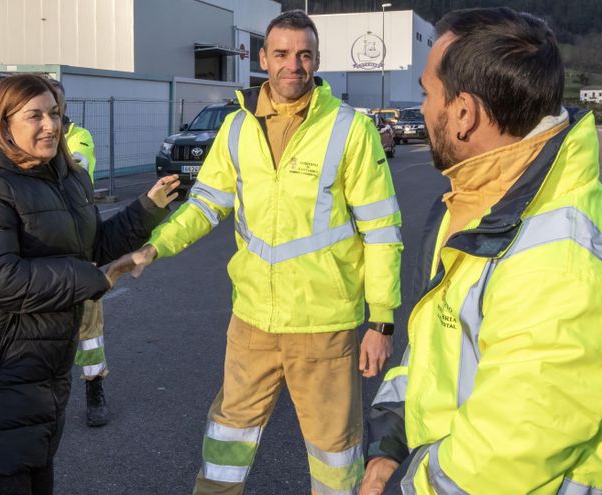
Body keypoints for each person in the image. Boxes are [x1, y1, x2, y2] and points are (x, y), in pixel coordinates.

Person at [109, 10, 403, 494]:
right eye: (283, 54)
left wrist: (381, 320)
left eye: (304, 54)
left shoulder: (350, 129)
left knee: (335, 452)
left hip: (323, 324)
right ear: (262, 58)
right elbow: (206, 204)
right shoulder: (237, 128)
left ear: (317, 60)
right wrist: (154, 247)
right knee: (228, 436)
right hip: (251, 321)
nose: (294, 65)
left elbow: (382, 229)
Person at [360, 8, 602, 495]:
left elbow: (498, 459)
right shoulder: (476, 204)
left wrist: (414, 486)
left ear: (463, 114)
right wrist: (390, 440)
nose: (421, 107)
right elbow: (441, 346)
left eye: (426, 93)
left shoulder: (560, 263)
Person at [0, 74, 178, 494]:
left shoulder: (66, 177)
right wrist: (93, 278)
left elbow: (93, 244)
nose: (50, 125)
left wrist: (146, 210)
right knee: (6, 472)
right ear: (4, 122)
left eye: (54, 114)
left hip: (45, 362)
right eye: (34, 115)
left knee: (39, 470)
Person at [50, 79, 110, 426]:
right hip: (43, 246)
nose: (49, 116)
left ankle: (94, 390)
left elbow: (76, 168)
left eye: (55, 107)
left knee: (89, 328)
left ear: (64, 108)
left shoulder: (79, 137)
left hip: (78, 244)